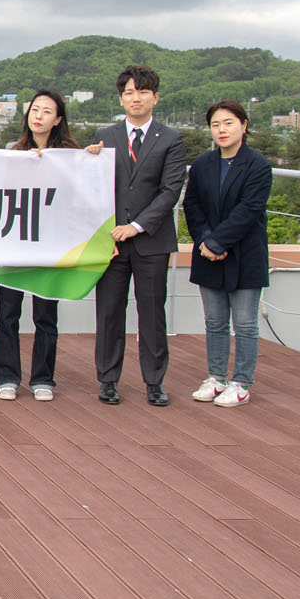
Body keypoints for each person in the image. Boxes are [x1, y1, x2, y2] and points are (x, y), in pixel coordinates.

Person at [0, 90, 98, 401]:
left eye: (47, 111)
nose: (38, 116)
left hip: (51, 246)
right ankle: (6, 377)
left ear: (58, 119)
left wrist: (92, 160)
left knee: (45, 314)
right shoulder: (12, 151)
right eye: (34, 110)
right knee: (8, 313)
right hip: (14, 243)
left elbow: (82, 195)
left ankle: (43, 378)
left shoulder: (71, 155)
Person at [93, 65, 188, 406]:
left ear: (155, 97)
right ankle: (108, 380)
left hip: (152, 241)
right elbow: (94, 187)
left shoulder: (172, 139)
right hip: (112, 243)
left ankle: (154, 381)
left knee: (152, 314)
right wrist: (87, 160)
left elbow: (170, 190)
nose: (136, 98)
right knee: (109, 313)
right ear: (121, 98)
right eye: (129, 93)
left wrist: (136, 226)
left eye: (143, 92)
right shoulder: (105, 137)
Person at [185, 101, 273, 407]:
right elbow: (192, 206)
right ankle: (217, 378)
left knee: (245, 324)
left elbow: (249, 210)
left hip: (245, 253)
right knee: (215, 321)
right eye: (215, 125)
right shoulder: (202, 165)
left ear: (244, 125)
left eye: (228, 123)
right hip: (207, 253)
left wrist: (218, 243)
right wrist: (206, 241)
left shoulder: (258, 165)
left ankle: (242, 383)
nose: (221, 130)